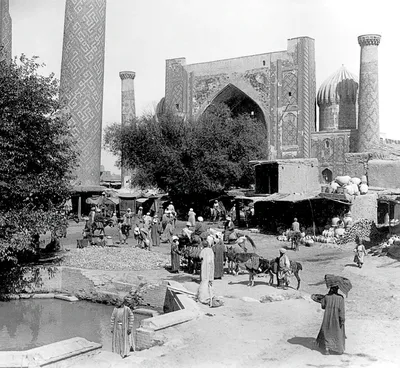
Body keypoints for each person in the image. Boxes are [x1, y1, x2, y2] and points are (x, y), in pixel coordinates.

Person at [316, 285, 346, 355]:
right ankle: (336, 348)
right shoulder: (340, 298)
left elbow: (323, 306)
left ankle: (327, 349)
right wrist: (342, 319)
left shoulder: (326, 297)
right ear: (337, 289)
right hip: (336, 318)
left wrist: (323, 299)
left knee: (327, 332)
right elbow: (342, 310)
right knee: (336, 333)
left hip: (327, 317)